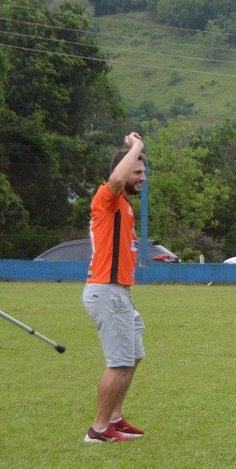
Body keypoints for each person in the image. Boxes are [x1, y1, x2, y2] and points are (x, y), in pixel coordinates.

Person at [83, 132, 148, 443]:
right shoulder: (107, 196)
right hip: (107, 290)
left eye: (143, 172)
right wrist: (136, 146)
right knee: (119, 361)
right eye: (137, 171)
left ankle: (115, 418)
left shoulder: (123, 205)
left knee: (133, 355)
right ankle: (98, 430)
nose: (142, 178)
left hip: (119, 291)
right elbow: (117, 179)